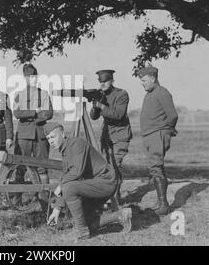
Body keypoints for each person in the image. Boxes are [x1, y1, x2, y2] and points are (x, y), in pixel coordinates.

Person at [45, 122, 132, 241]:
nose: (51, 141)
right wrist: (57, 209)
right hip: (93, 184)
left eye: (53, 136)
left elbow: (76, 173)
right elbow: (68, 177)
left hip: (105, 182)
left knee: (69, 188)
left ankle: (81, 232)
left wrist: (61, 185)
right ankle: (121, 215)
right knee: (87, 222)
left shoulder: (76, 144)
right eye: (48, 138)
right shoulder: (65, 151)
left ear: (63, 134)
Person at [138, 66, 178, 216]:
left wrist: (168, 130)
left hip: (157, 134)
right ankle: (160, 202)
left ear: (153, 78)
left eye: (144, 80)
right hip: (150, 135)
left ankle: (164, 205)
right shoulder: (150, 94)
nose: (142, 83)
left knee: (156, 167)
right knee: (155, 168)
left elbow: (173, 115)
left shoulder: (162, 92)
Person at [90, 69, 132, 204]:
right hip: (107, 135)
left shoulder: (122, 94)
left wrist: (101, 105)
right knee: (106, 166)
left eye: (105, 82)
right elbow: (93, 117)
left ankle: (115, 196)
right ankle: (108, 195)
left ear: (112, 81)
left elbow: (118, 114)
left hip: (120, 134)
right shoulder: (100, 94)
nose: (102, 84)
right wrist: (95, 105)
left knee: (116, 165)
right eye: (100, 82)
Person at [13, 63, 53, 185]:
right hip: (24, 136)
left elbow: (49, 113)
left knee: (42, 167)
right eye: (30, 77)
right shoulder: (19, 94)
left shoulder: (44, 93)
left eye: (35, 76)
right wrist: (35, 112)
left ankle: (44, 200)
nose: (33, 79)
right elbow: (17, 113)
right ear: (25, 78)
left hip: (40, 135)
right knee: (20, 167)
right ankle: (17, 201)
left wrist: (30, 116)